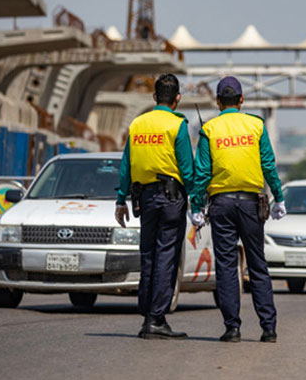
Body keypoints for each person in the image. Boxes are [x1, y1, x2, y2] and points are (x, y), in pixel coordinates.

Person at [191, 76, 286, 343]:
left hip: (220, 205)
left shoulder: (209, 129)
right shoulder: (256, 125)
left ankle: (232, 328)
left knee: (226, 266)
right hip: (251, 204)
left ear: (218, 101)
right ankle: (269, 328)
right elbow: (268, 163)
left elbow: (202, 173)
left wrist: (196, 205)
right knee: (257, 264)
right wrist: (279, 196)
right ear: (241, 100)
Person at [114, 73, 196, 339]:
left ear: (154, 97)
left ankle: (147, 315)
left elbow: (126, 164)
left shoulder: (138, 124)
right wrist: (197, 199)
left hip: (145, 198)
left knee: (148, 254)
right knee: (167, 256)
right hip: (171, 199)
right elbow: (186, 168)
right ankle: (157, 319)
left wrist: (120, 199)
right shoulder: (176, 125)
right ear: (178, 98)